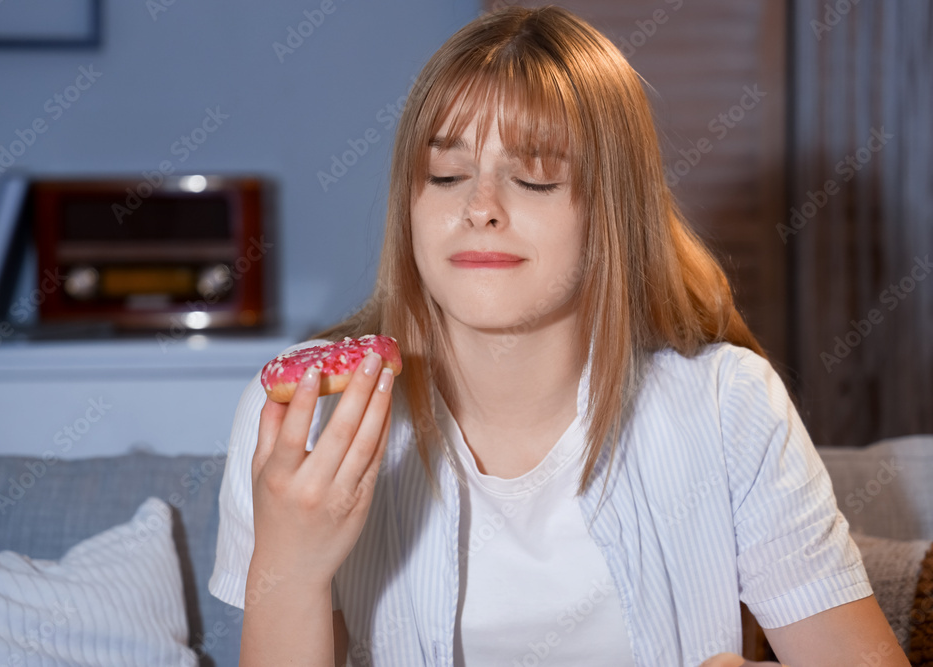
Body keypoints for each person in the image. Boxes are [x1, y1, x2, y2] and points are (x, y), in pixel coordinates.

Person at [210, 6, 910, 666]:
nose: (479, 207)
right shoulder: (299, 415)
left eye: (535, 179)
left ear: (613, 212)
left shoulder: (732, 406)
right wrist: (291, 566)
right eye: (447, 174)